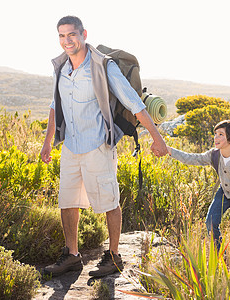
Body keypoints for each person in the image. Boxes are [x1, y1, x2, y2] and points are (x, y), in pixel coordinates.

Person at [40, 15, 167, 278]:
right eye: (62, 36)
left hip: (98, 145)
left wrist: (157, 137)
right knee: (67, 201)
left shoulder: (102, 65)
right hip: (71, 147)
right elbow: (55, 104)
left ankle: (114, 256)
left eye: (71, 34)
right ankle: (72, 256)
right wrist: (47, 143)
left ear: (83, 34)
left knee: (109, 201)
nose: (67, 40)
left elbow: (133, 101)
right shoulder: (61, 67)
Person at [166, 119, 230, 250]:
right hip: (224, 192)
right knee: (210, 223)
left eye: (221, 134)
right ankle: (218, 253)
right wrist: (170, 151)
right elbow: (193, 158)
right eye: (215, 134)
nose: (216, 137)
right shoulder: (214, 154)